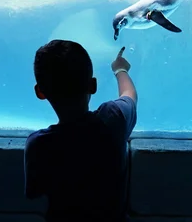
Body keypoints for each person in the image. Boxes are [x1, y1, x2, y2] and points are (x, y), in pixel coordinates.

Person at [24, 40, 138, 222]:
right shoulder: (112, 119)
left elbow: (34, 192)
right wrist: (120, 69)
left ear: (40, 93)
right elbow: (129, 96)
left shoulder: (38, 144)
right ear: (93, 85)